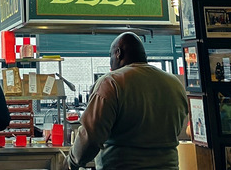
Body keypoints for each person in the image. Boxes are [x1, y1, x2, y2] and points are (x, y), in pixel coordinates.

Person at [63, 32, 188, 170]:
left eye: (110, 56)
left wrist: (72, 162)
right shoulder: (175, 84)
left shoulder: (111, 82)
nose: (110, 62)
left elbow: (90, 137)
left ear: (118, 53)